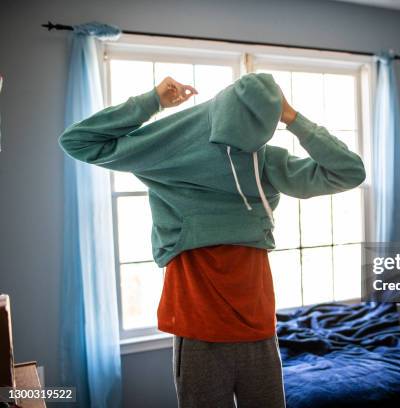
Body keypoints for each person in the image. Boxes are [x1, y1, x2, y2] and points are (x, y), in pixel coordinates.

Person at [59, 73, 366, 407]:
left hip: (256, 324)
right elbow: (77, 141)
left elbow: (349, 171)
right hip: (198, 326)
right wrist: (152, 102)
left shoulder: (263, 159)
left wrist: (291, 117)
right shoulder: (169, 146)